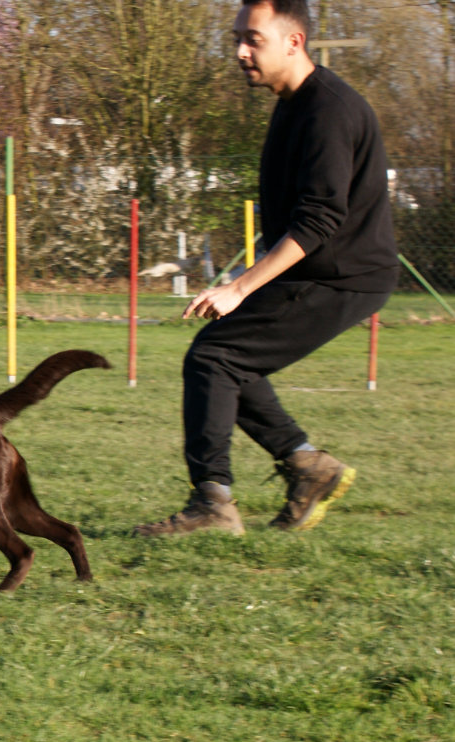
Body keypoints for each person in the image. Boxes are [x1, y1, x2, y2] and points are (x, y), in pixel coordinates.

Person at [134, 0, 399, 537]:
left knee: (215, 358)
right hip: (320, 267)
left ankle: (214, 504)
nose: (239, 51)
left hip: (341, 274)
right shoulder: (294, 103)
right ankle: (308, 467)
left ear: (293, 42)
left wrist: (241, 286)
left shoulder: (329, 112)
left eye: (252, 39)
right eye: (237, 37)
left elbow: (321, 219)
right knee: (225, 358)